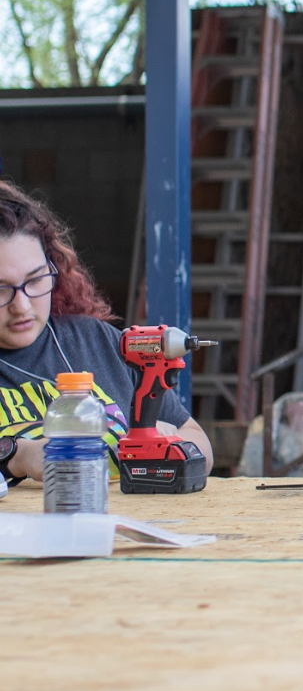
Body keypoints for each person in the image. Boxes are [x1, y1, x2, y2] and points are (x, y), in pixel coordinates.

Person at [0, 180, 212, 485]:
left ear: (53, 268)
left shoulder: (98, 341)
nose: (21, 306)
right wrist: (18, 456)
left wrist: (169, 448)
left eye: (34, 281)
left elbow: (199, 443)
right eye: (1, 289)